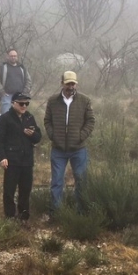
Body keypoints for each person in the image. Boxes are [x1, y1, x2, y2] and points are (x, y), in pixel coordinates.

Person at [44, 71, 95, 213]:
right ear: (62, 84)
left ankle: (81, 212)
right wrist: (53, 136)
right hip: (58, 149)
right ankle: (57, 213)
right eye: (68, 84)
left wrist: (81, 136)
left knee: (81, 181)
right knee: (57, 182)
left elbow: (90, 121)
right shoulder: (52, 101)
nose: (70, 86)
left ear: (76, 84)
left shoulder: (85, 100)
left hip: (78, 149)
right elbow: (47, 121)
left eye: (73, 83)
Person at [0, 92, 42, 222]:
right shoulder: (5, 118)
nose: (24, 106)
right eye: (21, 103)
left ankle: (24, 217)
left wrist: (32, 134)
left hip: (27, 161)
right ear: (13, 103)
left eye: (26, 103)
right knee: (9, 191)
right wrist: (2, 157)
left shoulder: (29, 117)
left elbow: (38, 137)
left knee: (25, 190)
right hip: (11, 161)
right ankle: (9, 216)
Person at [0, 49, 33, 115]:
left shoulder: (22, 68)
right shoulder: (2, 67)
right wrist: (2, 92)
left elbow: (28, 80)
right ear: (7, 57)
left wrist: (25, 91)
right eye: (11, 56)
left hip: (20, 96)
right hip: (7, 96)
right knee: (6, 116)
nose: (13, 57)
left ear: (17, 57)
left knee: (20, 117)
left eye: (15, 56)